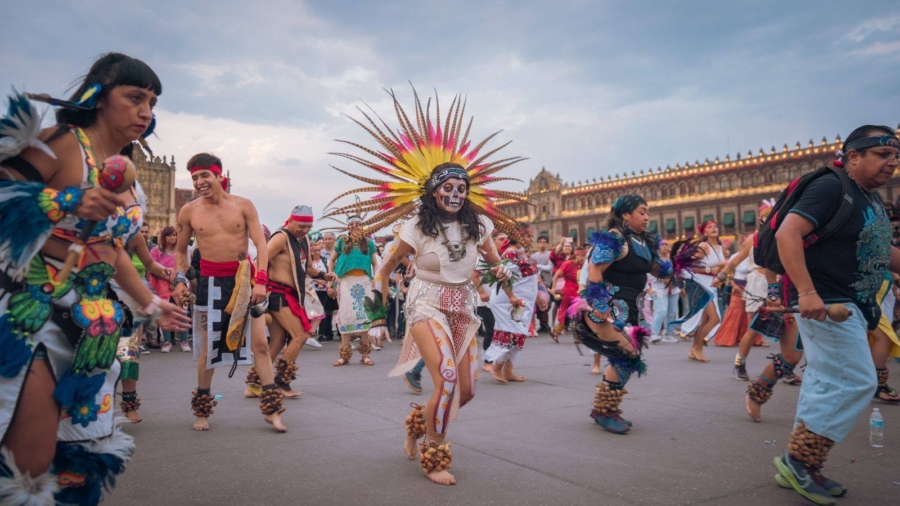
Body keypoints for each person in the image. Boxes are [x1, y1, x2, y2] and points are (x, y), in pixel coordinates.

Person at [0, 53, 190, 505]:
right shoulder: (62, 143)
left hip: (93, 329)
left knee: (76, 462)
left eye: (153, 102)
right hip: (35, 317)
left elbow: (111, 247)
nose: (146, 111)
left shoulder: (127, 171)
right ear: (99, 96)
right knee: (30, 461)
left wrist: (149, 303)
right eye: (135, 97)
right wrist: (67, 201)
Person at [327, 88, 522, 485]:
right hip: (426, 303)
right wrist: (378, 315)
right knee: (446, 380)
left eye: (461, 188)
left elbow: (494, 260)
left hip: (463, 307)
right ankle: (434, 454)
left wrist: (503, 275)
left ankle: (418, 421)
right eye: (447, 188)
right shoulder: (416, 227)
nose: (455, 194)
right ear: (434, 192)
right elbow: (384, 271)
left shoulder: (480, 224)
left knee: (465, 392)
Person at [771, 125, 898, 504]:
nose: (892, 163)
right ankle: (800, 461)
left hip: (854, 303)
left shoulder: (869, 198)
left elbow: (880, 249)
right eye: (882, 154)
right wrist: (807, 292)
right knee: (856, 380)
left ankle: (799, 463)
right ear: (854, 156)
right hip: (829, 304)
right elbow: (786, 234)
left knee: (824, 381)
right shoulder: (832, 186)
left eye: (896, 156)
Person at [172, 153, 287, 433]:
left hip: (244, 281)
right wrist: (179, 279)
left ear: (219, 176)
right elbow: (179, 250)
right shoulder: (189, 211)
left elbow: (261, 245)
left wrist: (260, 280)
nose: (200, 182)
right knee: (207, 350)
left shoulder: (243, 205)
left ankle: (272, 410)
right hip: (210, 284)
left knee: (260, 344)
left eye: (204, 176)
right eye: (195, 177)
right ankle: (201, 411)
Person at [572, 194, 662, 434]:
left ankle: (606, 408)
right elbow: (594, 269)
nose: (646, 216)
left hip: (633, 310)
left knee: (624, 358)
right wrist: (600, 304)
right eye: (641, 211)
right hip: (608, 310)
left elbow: (654, 269)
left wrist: (671, 269)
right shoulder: (615, 239)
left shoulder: (642, 242)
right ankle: (603, 411)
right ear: (625, 215)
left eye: (648, 212)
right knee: (627, 353)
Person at [245, 205, 336, 399]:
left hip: (291, 294)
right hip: (277, 294)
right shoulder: (281, 237)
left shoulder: (303, 240)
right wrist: (260, 284)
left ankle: (255, 383)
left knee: (278, 340)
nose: (304, 230)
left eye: (308, 227)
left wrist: (323, 275)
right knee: (301, 335)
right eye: (301, 226)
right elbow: (261, 258)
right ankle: (280, 382)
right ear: (291, 220)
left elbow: (309, 268)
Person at [484, 224, 540, 383]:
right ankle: (496, 366)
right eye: (528, 236)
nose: (531, 239)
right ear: (518, 236)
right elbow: (502, 276)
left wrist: (539, 298)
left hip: (523, 302)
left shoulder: (523, 254)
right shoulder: (510, 255)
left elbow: (531, 280)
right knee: (513, 334)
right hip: (507, 301)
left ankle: (508, 370)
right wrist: (511, 297)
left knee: (520, 334)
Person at [329, 214, 379, 366]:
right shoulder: (341, 242)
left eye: (358, 224)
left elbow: (376, 263)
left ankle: (365, 354)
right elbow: (331, 260)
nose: (355, 226)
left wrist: (376, 278)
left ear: (362, 226)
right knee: (345, 316)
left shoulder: (369, 243)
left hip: (364, 282)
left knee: (363, 316)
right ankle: (344, 355)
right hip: (345, 282)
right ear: (348, 227)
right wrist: (331, 277)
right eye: (352, 224)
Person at [675, 221, 726, 362]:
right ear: (704, 232)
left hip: (712, 285)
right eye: (709, 227)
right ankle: (697, 348)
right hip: (700, 284)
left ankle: (695, 350)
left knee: (706, 320)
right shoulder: (704, 246)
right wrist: (709, 270)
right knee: (715, 319)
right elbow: (686, 265)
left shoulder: (720, 248)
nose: (714, 228)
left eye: (715, 226)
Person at [151, 226, 190, 353]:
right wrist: (168, 278)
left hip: (180, 282)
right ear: (163, 236)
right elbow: (152, 268)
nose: (172, 238)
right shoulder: (156, 251)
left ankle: (184, 341)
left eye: (174, 235)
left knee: (182, 311)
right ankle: (167, 342)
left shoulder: (181, 251)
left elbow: (186, 266)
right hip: (162, 284)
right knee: (165, 311)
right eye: (169, 235)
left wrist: (178, 280)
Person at [549, 247, 585, 341]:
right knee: (565, 314)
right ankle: (556, 331)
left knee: (580, 314)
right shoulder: (569, 263)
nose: (582, 257)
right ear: (576, 255)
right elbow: (556, 275)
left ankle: (579, 335)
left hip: (579, 291)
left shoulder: (584, 266)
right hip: (568, 291)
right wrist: (553, 287)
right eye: (580, 255)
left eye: (584, 255)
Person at [647, 239, 679, 343]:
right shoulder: (655, 260)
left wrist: (678, 283)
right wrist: (662, 280)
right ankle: (654, 334)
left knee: (672, 312)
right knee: (661, 311)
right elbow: (649, 274)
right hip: (659, 289)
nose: (665, 246)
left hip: (674, 289)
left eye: (667, 244)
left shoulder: (673, 259)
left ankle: (669, 334)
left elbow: (680, 272)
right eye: (663, 245)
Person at [317, 231, 339, 342]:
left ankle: (341, 331)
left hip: (338, 282)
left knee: (339, 308)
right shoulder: (320, 253)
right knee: (326, 310)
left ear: (334, 240)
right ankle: (326, 333)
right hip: (324, 284)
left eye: (330, 239)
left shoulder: (338, 252)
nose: (327, 241)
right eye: (325, 239)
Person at [531, 236, 554, 333]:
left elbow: (549, 267)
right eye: (540, 242)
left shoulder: (550, 255)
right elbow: (532, 269)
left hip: (548, 281)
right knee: (539, 302)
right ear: (537, 243)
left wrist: (538, 267)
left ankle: (544, 323)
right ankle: (543, 323)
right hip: (537, 282)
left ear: (547, 243)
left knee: (547, 303)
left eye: (544, 242)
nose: (542, 244)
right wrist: (538, 274)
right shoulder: (534, 256)